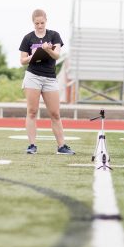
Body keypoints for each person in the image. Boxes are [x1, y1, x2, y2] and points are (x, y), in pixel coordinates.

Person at [19, 9, 75, 155]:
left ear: (46, 21)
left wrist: (48, 49)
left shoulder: (54, 35)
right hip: (33, 76)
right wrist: (35, 55)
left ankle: (61, 146)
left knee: (55, 113)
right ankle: (32, 145)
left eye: (42, 22)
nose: (39, 25)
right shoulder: (28, 38)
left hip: (50, 78)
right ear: (33, 22)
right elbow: (22, 60)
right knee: (32, 111)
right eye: (37, 23)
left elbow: (56, 55)